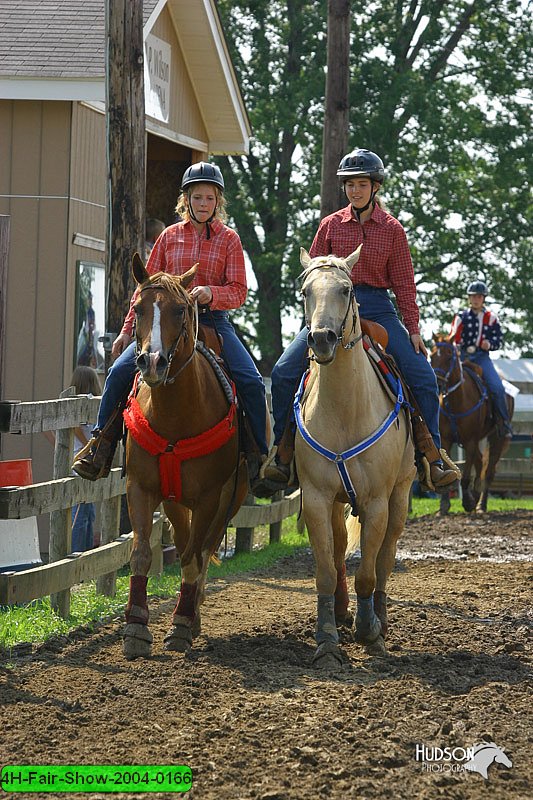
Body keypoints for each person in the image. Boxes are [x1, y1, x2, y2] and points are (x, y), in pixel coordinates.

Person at [258, 148, 459, 495]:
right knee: (283, 371)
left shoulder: (393, 230)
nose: (355, 191)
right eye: (350, 185)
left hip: (378, 308)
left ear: (375, 187)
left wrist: (412, 330)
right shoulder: (330, 225)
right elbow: (313, 273)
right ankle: (283, 452)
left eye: (362, 184)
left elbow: (405, 285)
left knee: (423, 377)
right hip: (331, 307)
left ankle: (433, 456)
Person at [73, 162, 268, 481]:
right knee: (121, 371)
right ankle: (101, 444)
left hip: (212, 321)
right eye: (197, 197)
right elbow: (144, 289)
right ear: (186, 200)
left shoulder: (229, 239)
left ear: (218, 201)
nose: (203, 204)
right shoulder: (168, 237)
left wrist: (211, 292)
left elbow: (239, 291)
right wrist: (126, 332)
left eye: (209, 198)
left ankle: (257, 455)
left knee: (251, 381)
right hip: (162, 322)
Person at [450, 280, 513, 438]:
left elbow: (498, 341)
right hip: (462, 358)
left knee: (497, 387)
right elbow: (452, 338)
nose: (476, 299)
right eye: (473, 296)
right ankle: (430, 422)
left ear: (483, 298)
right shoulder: (460, 317)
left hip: (481, 358)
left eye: (479, 296)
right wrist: (457, 346)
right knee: (441, 381)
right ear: (469, 298)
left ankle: (503, 423)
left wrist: (490, 344)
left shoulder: (492, 318)